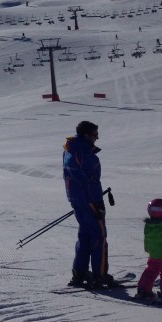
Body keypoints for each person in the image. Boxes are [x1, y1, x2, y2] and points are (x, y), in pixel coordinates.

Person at [62, 120, 114, 288]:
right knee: (99, 236)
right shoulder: (85, 154)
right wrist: (98, 203)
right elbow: (91, 181)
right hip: (89, 200)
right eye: (94, 135)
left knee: (85, 235)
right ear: (85, 135)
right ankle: (100, 274)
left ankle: (80, 271)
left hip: (77, 199)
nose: (96, 138)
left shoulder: (70, 149)